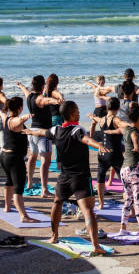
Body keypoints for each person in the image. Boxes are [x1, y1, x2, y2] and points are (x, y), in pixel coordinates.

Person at [33, 101, 109, 255]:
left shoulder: (57, 130)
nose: (79, 113)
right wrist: (99, 146)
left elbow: (42, 132)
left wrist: (29, 131)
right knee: (88, 211)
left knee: (57, 202)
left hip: (64, 177)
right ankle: (95, 246)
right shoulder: (76, 130)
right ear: (72, 114)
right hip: (80, 177)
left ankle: (54, 236)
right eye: (77, 110)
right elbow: (85, 139)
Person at [0, 97, 39, 223]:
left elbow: (2, 113)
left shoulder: (6, 118)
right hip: (14, 158)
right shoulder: (14, 121)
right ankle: (23, 216)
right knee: (18, 188)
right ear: (19, 108)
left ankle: (7, 207)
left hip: (5, 156)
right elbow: (18, 120)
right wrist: (26, 117)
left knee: (9, 182)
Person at [16, 76, 61, 198]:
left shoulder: (29, 96)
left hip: (32, 132)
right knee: (45, 162)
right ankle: (44, 189)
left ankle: (30, 183)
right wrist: (56, 101)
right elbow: (46, 100)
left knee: (32, 157)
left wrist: (20, 85)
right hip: (42, 133)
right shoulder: (40, 98)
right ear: (42, 87)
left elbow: (25, 90)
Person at [87, 97, 128, 207]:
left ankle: (101, 203)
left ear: (107, 107)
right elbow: (124, 125)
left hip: (103, 153)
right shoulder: (116, 120)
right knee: (125, 180)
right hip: (115, 154)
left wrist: (91, 117)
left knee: (100, 177)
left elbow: (95, 119)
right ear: (118, 108)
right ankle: (129, 204)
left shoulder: (102, 119)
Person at [119, 103, 139, 236]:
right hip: (135, 170)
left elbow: (120, 130)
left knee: (129, 199)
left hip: (124, 170)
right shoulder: (134, 132)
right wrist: (137, 146)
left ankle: (123, 228)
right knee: (138, 202)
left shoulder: (126, 129)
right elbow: (135, 138)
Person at [85, 75, 110, 139]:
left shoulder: (102, 89)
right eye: (101, 80)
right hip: (98, 109)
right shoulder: (97, 88)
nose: (103, 82)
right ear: (98, 81)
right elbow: (92, 85)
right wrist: (86, 82)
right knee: (93, 123)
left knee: (103, 125)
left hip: (103, 109)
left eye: (104, 80)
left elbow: (107, 91)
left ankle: (106, 138)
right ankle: (91, 137)